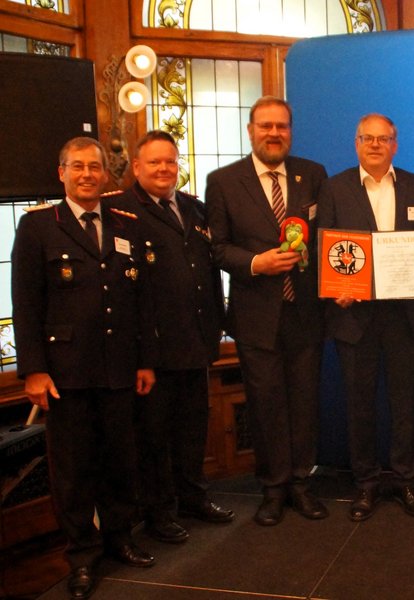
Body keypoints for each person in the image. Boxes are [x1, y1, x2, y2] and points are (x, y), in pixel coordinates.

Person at [11, 137, 157, 599]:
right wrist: (34, 370)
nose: (88, 175)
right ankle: (81, 555)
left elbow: (139, 301)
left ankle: (119, 538)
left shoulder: (126, 224)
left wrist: (144, 361)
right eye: (78, 167)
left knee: (120, 460)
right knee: (73, 471)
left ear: (105, 174)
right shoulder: (37, 227)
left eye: (94, 167)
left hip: (118, 367)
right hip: (65, 372)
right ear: (62, 173)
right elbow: (25, 304)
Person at [205, 96, 328, 526]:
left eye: (282, 126)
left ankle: (302, 483)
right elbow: (217, 248)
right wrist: (258, 262)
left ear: (290, 131)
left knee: (305, 403)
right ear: (250, 130)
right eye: (266, 126)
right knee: (265, 404)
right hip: (256, 316)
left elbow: (326, 236)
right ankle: (273, 488)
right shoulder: (223, 181)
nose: (274, 133)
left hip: (306, 313)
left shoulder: (313, 174)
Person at [317, 113, 414, 521]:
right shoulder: (334, 188)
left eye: (382, 138)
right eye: (367, 138)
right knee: (359, 405)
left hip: (405, 315)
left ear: (394, 145)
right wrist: (335, 286)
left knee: (406, 404)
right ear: (356, 144)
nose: (374, 145)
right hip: (354, 317)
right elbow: (323, 246)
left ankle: (405, 480)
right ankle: (366, 483)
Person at [115, 131, 233, 545]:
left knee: (192, 429)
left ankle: (193, 497)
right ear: (137, 167)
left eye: (170, 161)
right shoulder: (120, 211)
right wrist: (140, 354)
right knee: (155, 436)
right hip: (154, 348)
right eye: (154, 162)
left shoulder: (194, 208)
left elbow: (207, 272)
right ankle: (159, 512)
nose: (164, 169)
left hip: (196, 340)